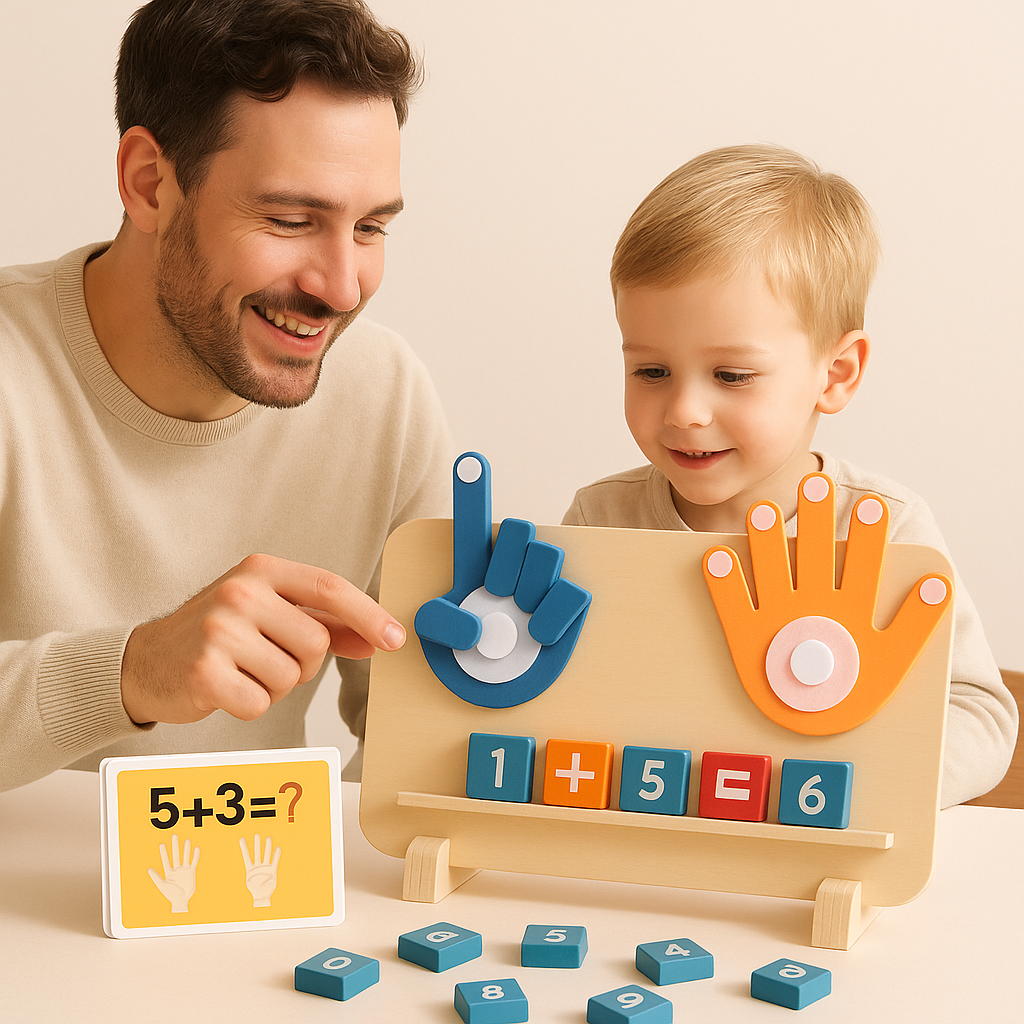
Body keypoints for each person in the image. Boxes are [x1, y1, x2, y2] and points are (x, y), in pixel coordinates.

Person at [0, 0, 452, 791]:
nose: (342, 287)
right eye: (288, 219)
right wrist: (130, 672)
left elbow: (421, 735)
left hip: (260, 901)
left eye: (372, 228)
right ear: (149, 185)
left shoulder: (384, 395)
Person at [562, 144, 1017, 807]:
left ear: (836, 375)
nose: (685, 412)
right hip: (652, 849)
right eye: (651, 371)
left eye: (732, 376)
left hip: (815, 848)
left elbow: (979, 712)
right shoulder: (598, 519)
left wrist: (864, 783)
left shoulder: (887, 529)